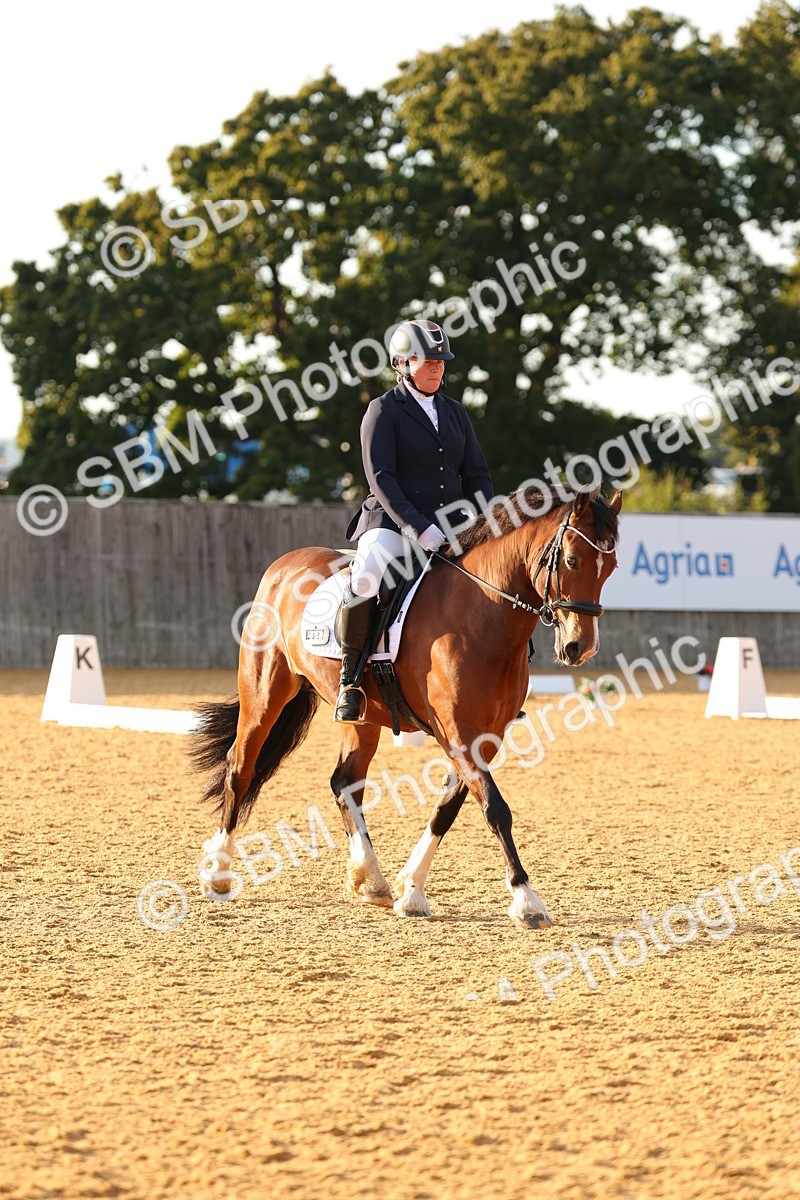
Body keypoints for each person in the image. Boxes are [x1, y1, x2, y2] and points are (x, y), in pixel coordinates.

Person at [334, 318, 494, 723]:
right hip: (391, 521)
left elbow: (476, 474)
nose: (438, 367)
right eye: (429, 361)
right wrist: (418, 527)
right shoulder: (383, 410)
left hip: (453, 524)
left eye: (442, 361)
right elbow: (381, 478)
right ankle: (349, 680)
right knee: (368, 574)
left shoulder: (455, 412)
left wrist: (488, 523)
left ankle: (497, 684)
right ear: (402, 363)